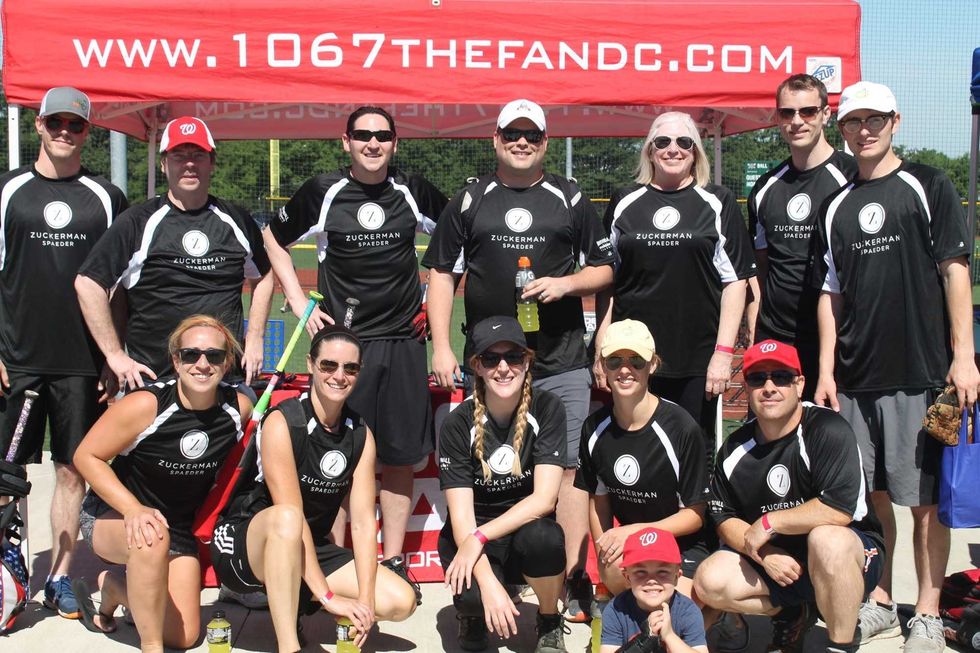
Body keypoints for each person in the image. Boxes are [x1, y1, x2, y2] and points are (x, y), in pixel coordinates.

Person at [425, 99, 615, 619]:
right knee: (488, 466)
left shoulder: (570, 197)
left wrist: (566, 283)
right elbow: (442, 273)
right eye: (513, 133)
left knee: (570, 470)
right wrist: (442, 346)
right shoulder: (470, 198)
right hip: (492, 363)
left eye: (532, 134)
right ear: (496, 139)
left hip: (561, 357)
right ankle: (495, 569)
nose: (522, 141)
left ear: (546, 142)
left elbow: (605, 269)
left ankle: (572, 576)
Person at [813, 81, 980, 653]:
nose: (865, 129)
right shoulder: (835, 203)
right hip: (856, 379)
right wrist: (827, 371)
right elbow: (829, 293)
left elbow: (956, 271)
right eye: (853, 120)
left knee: (925, 502)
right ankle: (881, 600)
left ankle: (928, 612)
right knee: (871, 501)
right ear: (842, 128)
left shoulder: (929, 183)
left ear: (895, 121)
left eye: (875, 119)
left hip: (924, 375)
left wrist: (963, 357)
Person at [264, 106, 447, 594]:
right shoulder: (324, 191)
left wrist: (432, 295)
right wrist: (300, 301)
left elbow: (457, 235)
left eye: (382, 136)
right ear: (345, 141)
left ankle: (394, 560)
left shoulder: (412, 188)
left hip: (405, 343)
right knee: (344, 454)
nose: (373, 143)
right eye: (363, 135)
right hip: (346, 347)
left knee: (401, 456)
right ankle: (338, 556)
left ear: (394, 142)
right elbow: (272, 236)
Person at [0, 86, 128, 620]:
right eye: (55, 123)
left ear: (86, 132)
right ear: (38, 125)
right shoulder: (7, 191)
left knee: (74, 471)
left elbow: (121, 289)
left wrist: (111, 356)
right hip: (17, 358)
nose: (63, 133)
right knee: (4, 476)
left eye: (74, 126)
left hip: (81, 364)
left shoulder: (107, 197)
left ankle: (57, 577)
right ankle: (7, 569)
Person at [210, 325, 416, 652]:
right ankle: (288, 644)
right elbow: (289, 515)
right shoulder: (284, 421)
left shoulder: (360, 434)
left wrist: (364, 602)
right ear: (310, 364)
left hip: (306, 545)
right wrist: (328, 597)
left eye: (350, 368)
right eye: (328, 365)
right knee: (289, 519)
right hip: (244, 542)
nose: (339, 375)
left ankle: (294, 600)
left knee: (400, 601)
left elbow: (363, 523)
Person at [71, 315, 252, 652]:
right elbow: (86, 457)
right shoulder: (146, 405)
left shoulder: (237, 409)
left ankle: (115, 588)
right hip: (113, 515)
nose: (202, 364)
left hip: (177, 527)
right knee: (151, 537)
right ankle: (150, 646)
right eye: (190, 355)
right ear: (175, 360)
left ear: (227, 363)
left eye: (214, 356)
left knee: (183, 637)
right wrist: (133, 508)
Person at [694, 340, 885, 653]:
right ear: (747, 386)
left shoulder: (827, 428)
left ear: (800, 384)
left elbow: (838, 511)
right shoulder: (734, 448)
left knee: (828, 541)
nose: (769, 387)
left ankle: (840, 643)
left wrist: (771, 521)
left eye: (781, 377)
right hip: (778, 559)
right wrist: (765, 554)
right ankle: (792, 612)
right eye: (758, 378)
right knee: (709, 580)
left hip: (851, 552)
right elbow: (722, 516)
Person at [594, 111, 754, 466]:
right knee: (636, 452)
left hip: (697, 359)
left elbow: (735, 282)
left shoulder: (718, 201)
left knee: (694, 455)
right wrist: (601, 348)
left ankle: (695, 523)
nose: (673, 149)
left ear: (696, 152)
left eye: (684, 142)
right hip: (630, 356)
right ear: (649, 151)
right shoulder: (624, 201)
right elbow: (607, 280)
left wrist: (723, 353)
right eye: (662, 142)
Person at [75, 116, 273, 392]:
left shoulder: (235, 219)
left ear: (211, 162)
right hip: (157, 383)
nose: (189, 163)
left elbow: (264, 276)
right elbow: (87, 283)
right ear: (164, 164)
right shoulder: (138, 222)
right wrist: (115, 355)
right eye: (179, 155)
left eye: (197, 155)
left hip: (223, 380)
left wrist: (255, 337)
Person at [438, 316, 569, 652]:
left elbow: (543, 501)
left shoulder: (548, 408)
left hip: (522, 531)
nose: (503, 367)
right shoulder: (457, 424)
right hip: (473, 533)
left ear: (527, 361)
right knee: (471, 593)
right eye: (490, 359)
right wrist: (489, 587)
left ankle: (549, 619)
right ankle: (473, 615)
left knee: (546, 538)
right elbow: (464, 524)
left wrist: (481, 535)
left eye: (512, 357)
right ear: (476, 367)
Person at [575, 320, 710, 597]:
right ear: (602, 366)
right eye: (614, 361)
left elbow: (695, 516)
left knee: (668, 612)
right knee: (615, 570)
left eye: (636, 360)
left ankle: (713, 613)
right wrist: (604, 546)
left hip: (684, 545)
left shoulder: (681, 427)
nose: (625, 370)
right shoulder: (594, 428)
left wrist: (635, 531)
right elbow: (598, 500)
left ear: (653, 365)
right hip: (636, 545)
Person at [744, 74, 857, 400]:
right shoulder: (765, 187)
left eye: (807, 112)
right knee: (774, 444)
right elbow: (761, 268)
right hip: (777, 338)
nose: (797, 121)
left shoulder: (852, 177)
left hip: (837, 339)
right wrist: (756, 325)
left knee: (830, 441)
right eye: (787, 113)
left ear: (825, 114)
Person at [599, 528, 707, 653]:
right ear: (627, 578)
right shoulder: (616, 609)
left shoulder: (687, 611)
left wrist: (670, 636)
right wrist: (644, 640)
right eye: (640, 572)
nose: (651, 580)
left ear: (676, 577)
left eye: (662, 572)